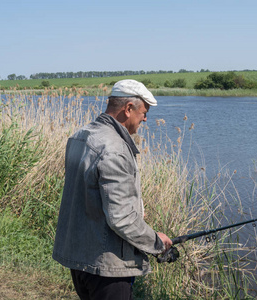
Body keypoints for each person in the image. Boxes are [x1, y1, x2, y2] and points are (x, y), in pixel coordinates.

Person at [53, 79, 173, 300]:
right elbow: (121, 218)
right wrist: (155, 241)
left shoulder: (80, 135)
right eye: (144, 112)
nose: (145, 118)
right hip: (107, 269)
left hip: (80, 260)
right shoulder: (115, 149)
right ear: (128, 109)